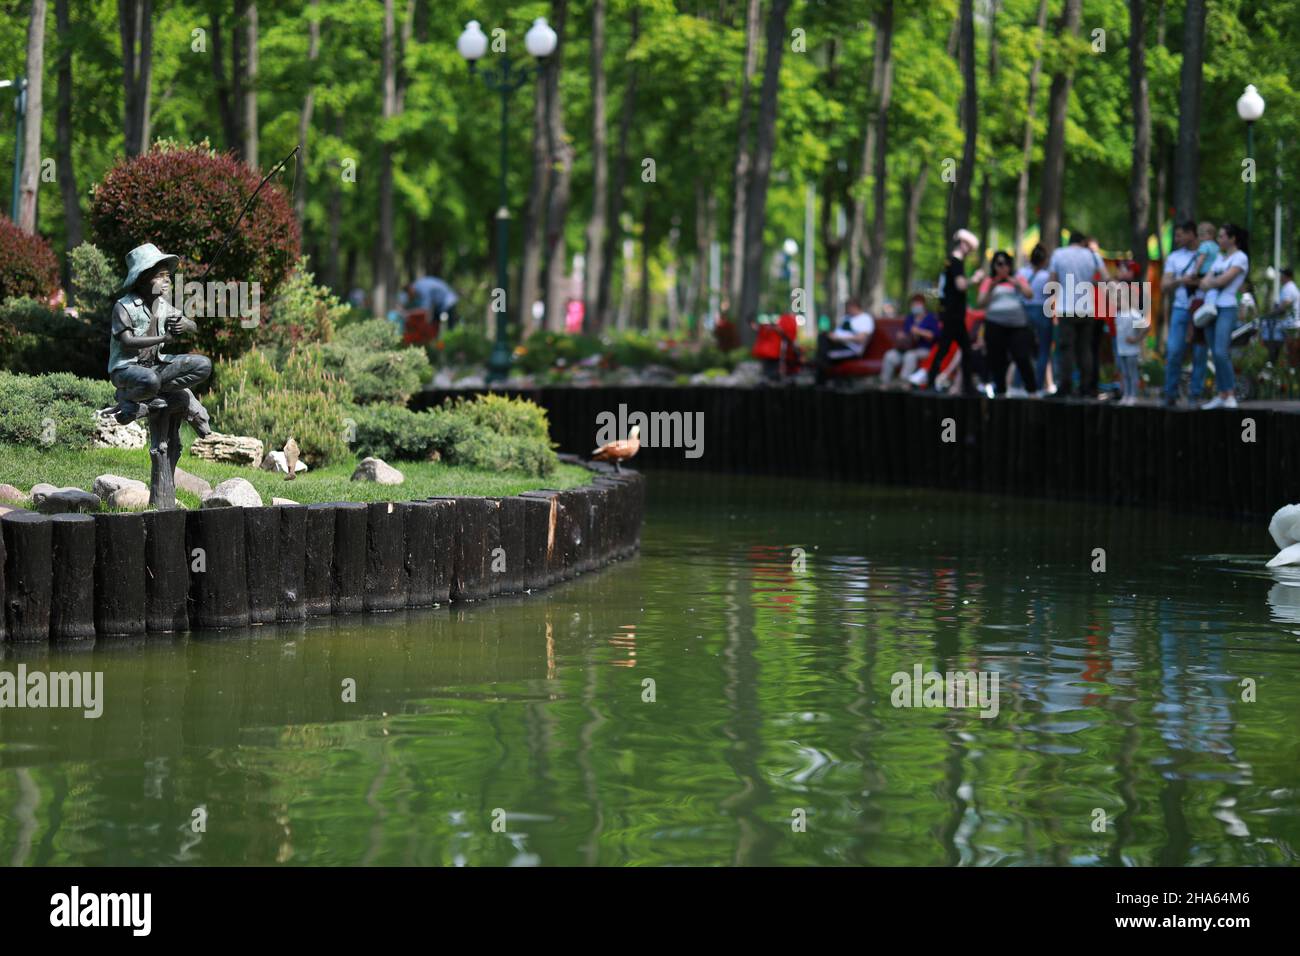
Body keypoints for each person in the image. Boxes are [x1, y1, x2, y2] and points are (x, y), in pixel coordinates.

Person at [107, 243, 212, 435]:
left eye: (167, 276)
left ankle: (153, 392)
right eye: (159, 276)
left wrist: (184, 325)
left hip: (155, 366)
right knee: (151, 379)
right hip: (126, 369)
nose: (167, 281)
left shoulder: (163, 305)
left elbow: (193, 326)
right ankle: (127, 395)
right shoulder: (123, 306)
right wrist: (163, 337)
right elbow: (127, 341)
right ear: (142, 279)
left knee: (203, 365)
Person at [1048, 231, 1108, 397]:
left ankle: (1065, 386)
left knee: (1066, 348)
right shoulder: (1092, 256)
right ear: (1082, 242)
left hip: (1066, 307)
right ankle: (1085, 387)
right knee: (1085, 348)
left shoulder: (1058, 254)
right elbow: (1105, 278)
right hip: (1087, 307)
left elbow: (1052, 282)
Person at [1196, 223, 1249, 409]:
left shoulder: (1241, 258)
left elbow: (1224, 280)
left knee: (1221, 351)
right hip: (1211, 309)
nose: (1218, 240)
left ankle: (1231, 393)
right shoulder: (1219, 257)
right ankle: (1222, 393)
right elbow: (1203, 282)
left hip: (1227, 307)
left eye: (1221, 236)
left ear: (1232, 239)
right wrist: (1212, 282)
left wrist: (1212, 282)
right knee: (1214, 353)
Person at [928, 228, 985, 396]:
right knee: (951, 349)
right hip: (954, 315)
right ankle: (936, 380)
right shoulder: (956, 262)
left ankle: (966, 385)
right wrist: (975, 279)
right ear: (963, 244)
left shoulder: (949, 262)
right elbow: (960, 285)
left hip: (952, 313)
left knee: (961, 350)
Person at [1160, 220, 1209, 407]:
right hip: (1180, 308)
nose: (1177, 239)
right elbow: (1165, 285)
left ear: (1191, 234)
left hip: (1201, 308)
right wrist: (1182, 280)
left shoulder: (1208, 253)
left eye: (1180, 235)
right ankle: (1170, 393)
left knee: (1200, 352)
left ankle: (1195, 394)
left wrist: (1194, 283)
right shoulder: (1174, 257)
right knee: (1173, 351)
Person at [977, 251, 1038, 396]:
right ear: (994, 266)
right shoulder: (989, 281)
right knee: (997, 359)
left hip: (1017, 325)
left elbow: (1029, 294)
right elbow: (981, 303)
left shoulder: (1018, 278)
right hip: (995, 324)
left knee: (1022, 356)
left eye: (1006, 263)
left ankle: (1032, 390)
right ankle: (1001, 391)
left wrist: (1016, 284)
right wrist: (992, 287)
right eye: (999, 264)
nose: (1003, 267)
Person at [1017, 244, 1054, 392]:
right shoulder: (1046, 276)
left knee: (1022, 349)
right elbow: (1052, 293)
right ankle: (1038, 385)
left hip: (1024, 311)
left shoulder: (1021, 273)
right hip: (1042, 311)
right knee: (1043, 350)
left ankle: (1020, 384)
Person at [880, 294, 938, 385]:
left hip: (923, 349)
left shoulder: (931, 318)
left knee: (910, 356)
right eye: (913, 305)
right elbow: (906, 333)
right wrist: (901, 336)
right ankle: (885, 383)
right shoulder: (910, 318)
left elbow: (934, 336)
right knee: (890, 355)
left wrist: (919, 332)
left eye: (917, 304)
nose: (915, 307)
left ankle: (904, 383)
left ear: (923, 304)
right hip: (906, 348)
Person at [814, 298, 875, 384]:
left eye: (848, 308)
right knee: (822, 337)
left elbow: (861, 339)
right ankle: (823, 383)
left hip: (851, 349)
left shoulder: (865, 319)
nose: (847, 310)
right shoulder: (846, 318)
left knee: (823, 358)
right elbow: (837, 333)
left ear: (855, 307)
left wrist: (840, 338)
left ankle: (821, 385)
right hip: (837, 344)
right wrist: (832, 336)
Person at [1260, 266, 1298, 364]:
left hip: (1292, 325)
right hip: (1290, 324)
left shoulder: (1289, 287)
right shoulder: (1290, 287)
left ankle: (1282, 368)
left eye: (1282, 275)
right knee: (1289, 352)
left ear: (1287, 276)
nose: (1280, 277)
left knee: (1292, 353)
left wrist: (1270, 314)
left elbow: (1285, 304)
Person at [1113, 304, 1143, 406]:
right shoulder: (1118, 314)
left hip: (1132, 351)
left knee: (1132, 373)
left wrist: (1136, 339)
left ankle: (1133, 395)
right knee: (1125, 374)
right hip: (1121, 350)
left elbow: (1146, 327)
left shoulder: (1134, 314)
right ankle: (1126, 394)